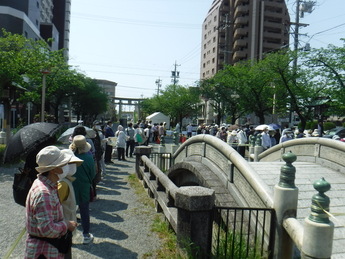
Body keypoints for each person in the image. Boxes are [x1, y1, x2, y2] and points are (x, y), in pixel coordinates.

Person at [25, 146, 80, 259]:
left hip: (45, 249)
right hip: (44, 252)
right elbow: (47, 229)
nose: (66, 166)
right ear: (54, 169)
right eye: (63, 163)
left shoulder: (46, 185)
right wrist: (67, 225)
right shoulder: (44, 193)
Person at [69, 135, 96, 245]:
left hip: (70, 185)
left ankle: (68, 236)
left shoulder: (70, 156)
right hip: (84, 186)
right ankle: (86, 235)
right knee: (84, 210)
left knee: (69, 210)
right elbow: (93, 174)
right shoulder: (89, 158)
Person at [57, 150, 83, 259]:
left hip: (66, 225)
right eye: (70, 164)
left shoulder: (65, 181)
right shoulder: (63, 184)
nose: (73, 167)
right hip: (64, 226)